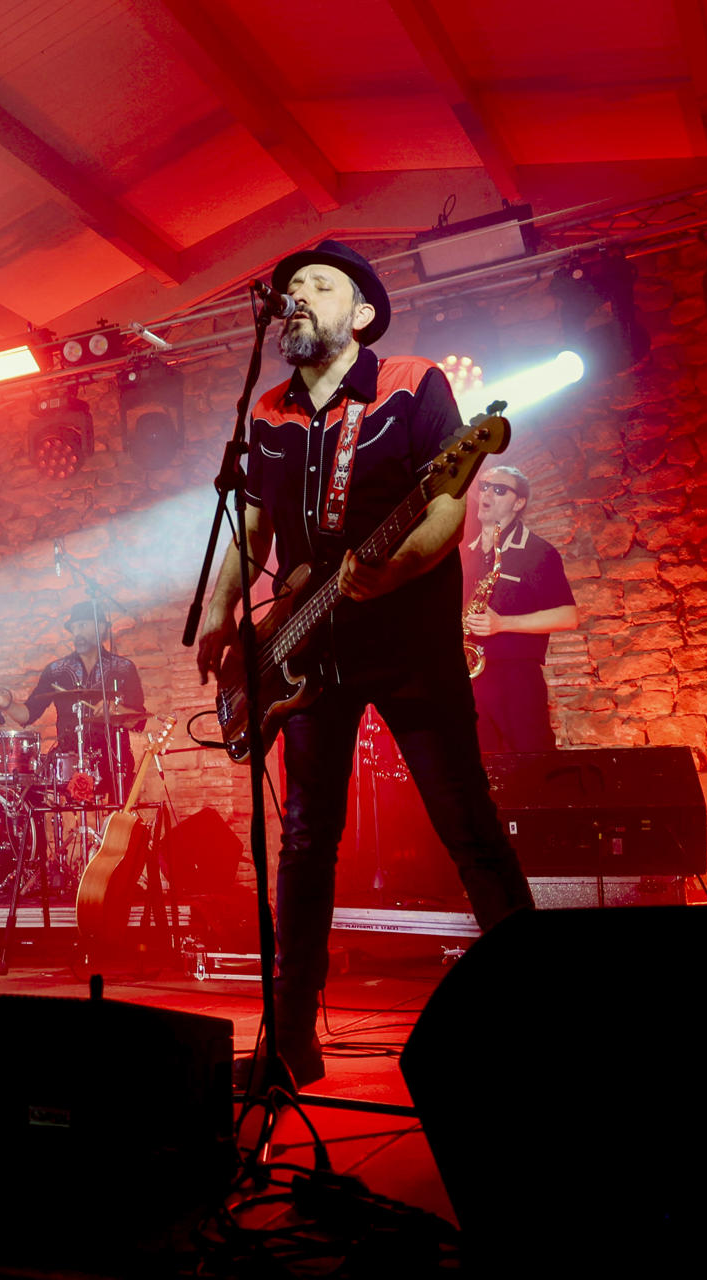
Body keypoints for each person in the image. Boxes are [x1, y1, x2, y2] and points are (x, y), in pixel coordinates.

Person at [196, 239, 534, 1088]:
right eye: (289, 288)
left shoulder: (413, 383)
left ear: (362, 313)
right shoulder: (267, 412)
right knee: (305, 840)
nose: (296, 295)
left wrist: (390, 571)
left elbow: (447, 504)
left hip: (410, 643)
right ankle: (291, 1038)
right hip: (309, 652)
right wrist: (220, 611)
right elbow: (252, 525)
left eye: (316, 284)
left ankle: (544, 1013)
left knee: (468, 825)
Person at [463, 465, 579, 752]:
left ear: (519, 502)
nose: (487, 492)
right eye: (485, 486)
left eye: (499, 489)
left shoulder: (538, 552)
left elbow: (569, 616)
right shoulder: (464, 552)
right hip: (469, 681)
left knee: (532, 767)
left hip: (516, 681)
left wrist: (502, 624)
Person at [0, 601, 148, 804]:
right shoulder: (56, 670)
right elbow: (28, 714)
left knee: (119, 818)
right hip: (68, 760)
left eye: (82, 625)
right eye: (74, 628)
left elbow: (138, 719)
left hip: (113, 760)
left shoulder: (124, 668)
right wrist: (7, 704)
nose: (77, 633)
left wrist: (116, 710)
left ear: (101, 627)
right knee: (28, 790)